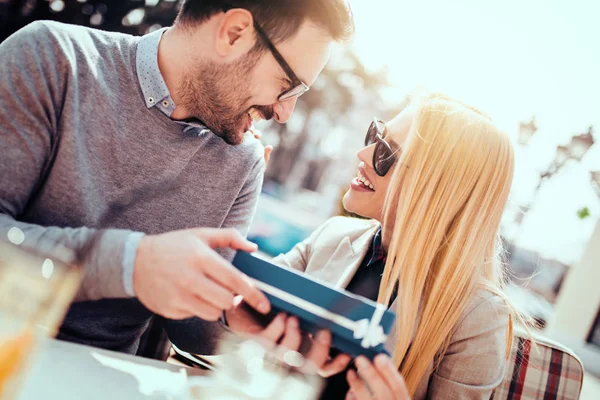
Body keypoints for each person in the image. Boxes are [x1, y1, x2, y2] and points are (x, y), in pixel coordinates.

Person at [0, 0, 354, 355]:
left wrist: (235, 319)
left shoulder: (243, 161)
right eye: (288, 85)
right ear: (233, 34)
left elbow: (192, 332)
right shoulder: (53, 57)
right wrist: (133, 264)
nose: (284, 113)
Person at [227, 92, 517, 399]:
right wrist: (238, 317)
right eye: (375, 136)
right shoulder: (333, 236)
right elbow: (235, 305)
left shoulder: (479, 317)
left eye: (386, 153)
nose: (363, 154)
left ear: (436, 192)